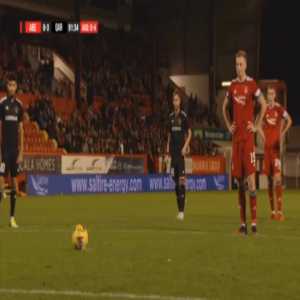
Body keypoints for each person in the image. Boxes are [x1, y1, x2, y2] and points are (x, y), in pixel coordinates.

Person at [222, 50, 266, 235]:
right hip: (236, 140)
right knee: (239, 183)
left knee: (251, 181)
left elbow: (263, 104)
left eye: (241, 64)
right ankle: (243, 226)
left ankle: (254, 224)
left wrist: (256, 126)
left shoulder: (251, 84)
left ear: (246, 65)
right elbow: (223, 107)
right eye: (236, 64)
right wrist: (228, 125)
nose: (238, 67)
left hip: (247, 140)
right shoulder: (232, 86)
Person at [263, 86, 292, 221]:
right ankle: (273, 211)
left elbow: (289, 120)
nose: (270, 96)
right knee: (269, 181)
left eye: (272, 94)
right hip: (266, 150)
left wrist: (282, 133)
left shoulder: (279, 109)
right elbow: (257, 125)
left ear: (275, 96)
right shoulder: (264, 110)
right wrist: (263, 137)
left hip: (275, 149)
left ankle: (280, 212)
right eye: (268, 93)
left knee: (278, 179)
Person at [0, 73, 24, 228]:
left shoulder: (19, 106)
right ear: (6, 87)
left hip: (15, 150)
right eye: (9, 85)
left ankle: (12, 218)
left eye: (14, 85)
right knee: (1, 180)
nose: (12, 87)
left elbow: (21, 129)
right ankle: (2, 192)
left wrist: (21, 152)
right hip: (4, 150)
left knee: (15, 184)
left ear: (16, 87)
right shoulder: (2, 104)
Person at [166, 91, 192, 221]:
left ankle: (181, 211)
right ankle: (182, 199)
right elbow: (169, 135)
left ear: (180, 102)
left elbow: (190, 133)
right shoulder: (170, 117)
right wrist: (166, 151)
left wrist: (185, 146)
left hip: (180, 154)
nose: (175, 102)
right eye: (173, 100)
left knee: (181, 182)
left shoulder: (184, 116)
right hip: (173, 154)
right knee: (175, 182)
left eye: (177, 100)